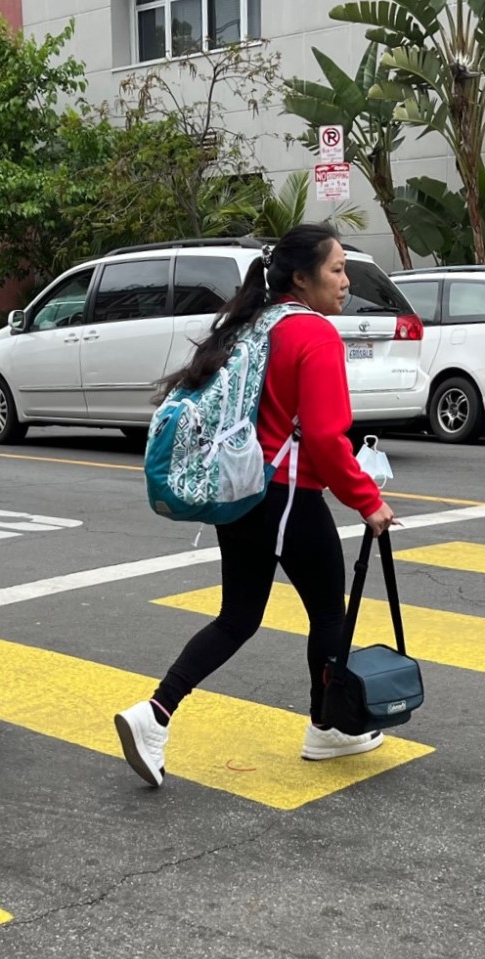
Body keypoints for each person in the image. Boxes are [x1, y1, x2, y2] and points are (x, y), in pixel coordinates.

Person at [114, 224, 396, 788]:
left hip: (244, 487)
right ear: (302, 276)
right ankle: (328, 728)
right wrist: (369, 502)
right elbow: (323, 436)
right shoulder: (313, 334)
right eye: (337, 270)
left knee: (238, 617)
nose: (346, 281)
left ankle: (155, 714)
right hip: (287, 494)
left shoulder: (257, 323)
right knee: (327, 614)